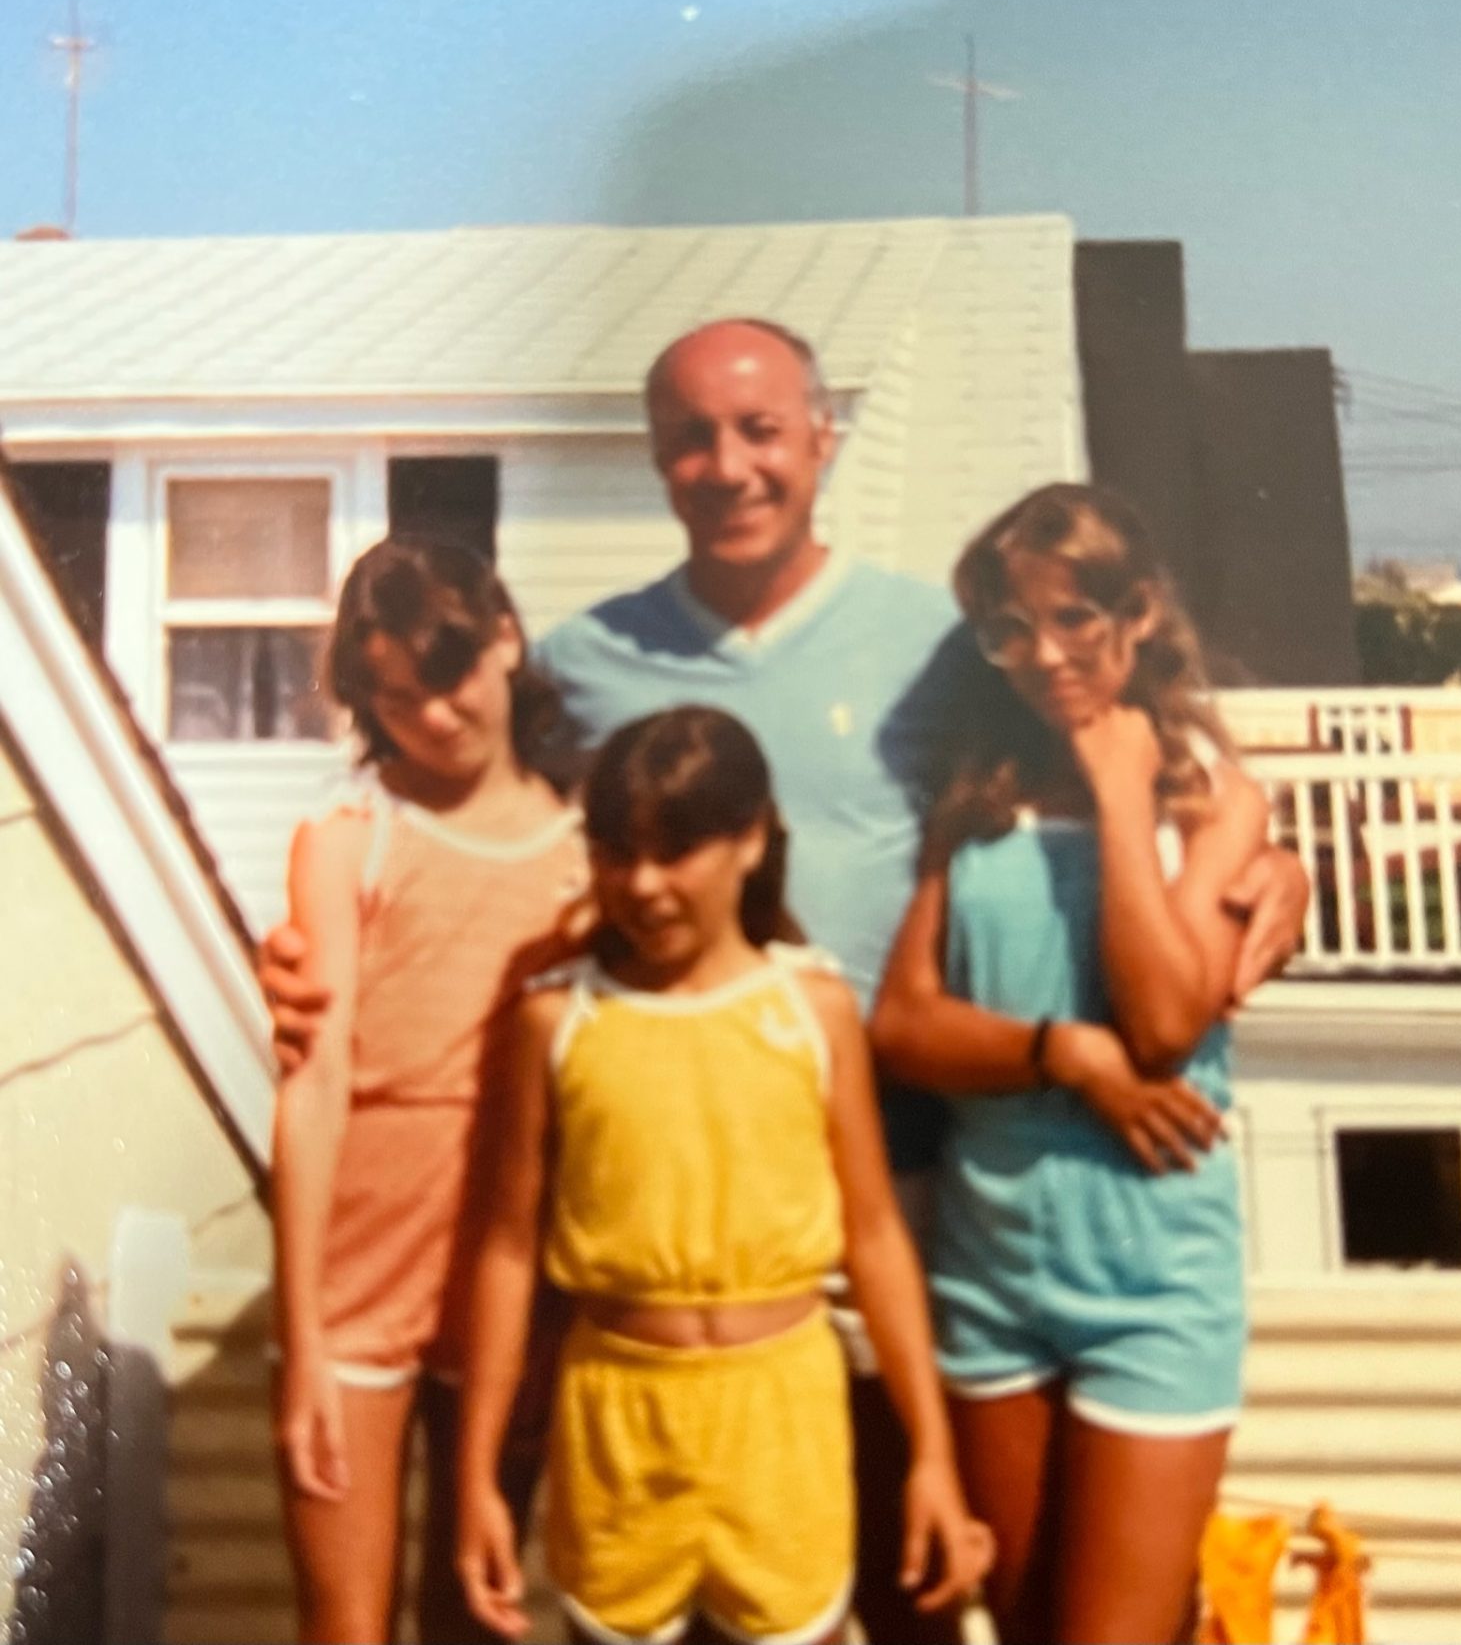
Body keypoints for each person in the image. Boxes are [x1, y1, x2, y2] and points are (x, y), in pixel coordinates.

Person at [260, 317, 1310, 1642]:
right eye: (692, 438)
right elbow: (474, 823)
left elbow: (1112, 758)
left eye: (761, 429)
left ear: (823, 437)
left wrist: (1273, 864)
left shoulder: (946, 647)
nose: (730, 465)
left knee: (909, 1594)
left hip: (912, 1188)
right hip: (674, 1213)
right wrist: (303, 948)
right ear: (658, 460)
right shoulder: (581, 666)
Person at [454, 706, 992, 1645]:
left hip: (782, 1428)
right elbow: (507, 1254)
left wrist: (933, 1458)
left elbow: (875, 1239)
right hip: (618, 1434)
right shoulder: (556, 1022)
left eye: (676, 853)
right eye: (617, 853)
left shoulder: (813, 1010)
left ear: (751, 841)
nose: (644, 885)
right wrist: (477, 1480)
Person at [869, 484, 1268, 1645]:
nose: (1044, 655)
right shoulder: (976, 803)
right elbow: (905, 1025)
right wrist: (1067, 1054)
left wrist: (1121, 795)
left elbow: (1165, 1025)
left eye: (1074, 619)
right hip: (988, 1279)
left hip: (1153, 1285)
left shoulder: (1215, 803)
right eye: (1011, 630)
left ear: (1136, 615)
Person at [270, 539, 586, 1645]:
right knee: (343, 1624)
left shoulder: (592, 846)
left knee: (475, 1615)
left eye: (449, 680)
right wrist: (304, 1338)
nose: (433, 720)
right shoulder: (352, 841)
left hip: (510, 1269)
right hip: (360, 1265)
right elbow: (313, 1086)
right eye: (395, 701)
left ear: (506, 640)